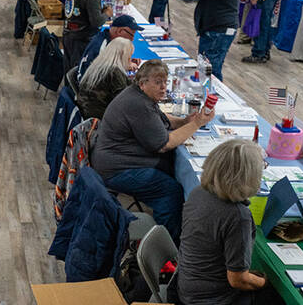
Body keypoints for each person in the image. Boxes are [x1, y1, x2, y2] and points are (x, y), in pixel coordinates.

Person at [172, 139, 295, 305]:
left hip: (185, 292)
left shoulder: (199, 192)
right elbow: (238, 280)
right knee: (286, 302)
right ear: (248, 176)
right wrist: (267, 282)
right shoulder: (237, 216)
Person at [91, 60, 214, 241]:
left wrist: (185, 122)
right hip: (116, 170)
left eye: (165, 82)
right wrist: (197, 124)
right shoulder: (138, 105)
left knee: (170, 170)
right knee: (170, 191)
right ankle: (167, 244)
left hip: (115, 159)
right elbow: (164, 144)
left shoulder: (140, 96)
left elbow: (161, 118)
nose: (164, 87)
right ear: (142, 83)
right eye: (158, 82)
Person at [63, 0, 111, 74]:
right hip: (82, 40)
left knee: (70, 72)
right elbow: (96, 22)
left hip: (70, 35)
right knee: (79, 74)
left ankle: (68, 93)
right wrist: (107, 14)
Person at [78, 38, 134, 119]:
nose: (130, 61)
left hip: (88, 109)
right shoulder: (114, 72)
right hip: (100, 117)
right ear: (123, 56)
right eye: (129, 58)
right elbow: (124, 102)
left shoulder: (100, 64)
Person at [78, 15, 143, 77]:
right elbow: (104, 73)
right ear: (119, 31)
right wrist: (125, 65)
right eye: (131, 35)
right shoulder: (101, 46)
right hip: (90, 85)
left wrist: (126, 60)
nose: (132, 39)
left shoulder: (106, 37)